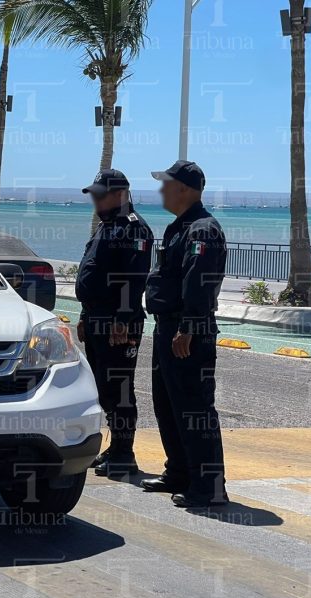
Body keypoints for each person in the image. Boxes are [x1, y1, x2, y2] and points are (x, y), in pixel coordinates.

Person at [142, 160, 229, 508]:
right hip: (169, 327)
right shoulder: (180, 227)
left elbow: (200, 283)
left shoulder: (203, 229)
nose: (161, 189)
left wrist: (189, 327)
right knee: (168, 405)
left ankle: (209, 486)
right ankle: (179, 471)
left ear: (186, 189)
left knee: (195, 408)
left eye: (167, 183)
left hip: (188, 330)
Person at [76, 169, 153, 478]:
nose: (95, 200)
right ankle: (116, 448)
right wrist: (84, 316)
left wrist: (121, 320)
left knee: (119, 389)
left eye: (100, 194)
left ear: (120, 194)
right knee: (102, 388)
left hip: (118, 325)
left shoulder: (134, 230)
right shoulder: (106, 227)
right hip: (96, 320)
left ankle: (124, 453)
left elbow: (134, 280)